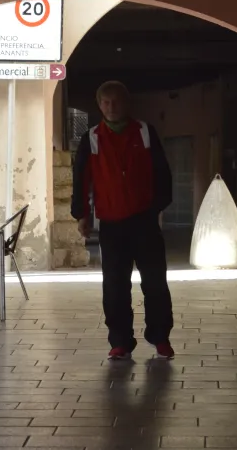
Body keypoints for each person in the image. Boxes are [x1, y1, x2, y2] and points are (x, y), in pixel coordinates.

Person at [71, 80, 175, 361]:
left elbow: (162, 173)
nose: (111, 107)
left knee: (155, 282)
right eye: (105, 102)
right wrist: (82, 215)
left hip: (145, 222)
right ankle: (120, 342)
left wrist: (156, 207)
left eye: (116, 101)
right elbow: (81, 179)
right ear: (99, 105)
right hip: (112, 224)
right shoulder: (91, 137)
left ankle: (160, 337)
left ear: (126, 103)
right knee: (115, 286)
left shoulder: (144, 132)